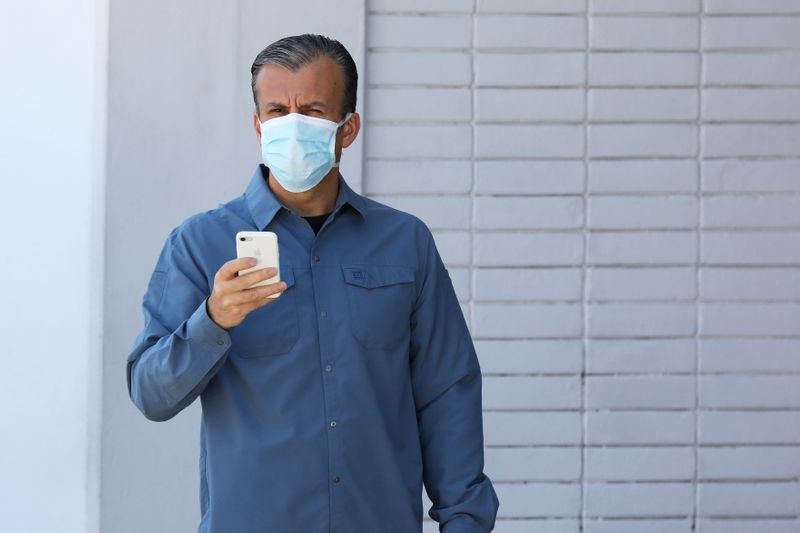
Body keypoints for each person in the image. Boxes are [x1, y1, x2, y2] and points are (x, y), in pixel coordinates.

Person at [126, 33, 499, 533]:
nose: (292, 125)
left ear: (349, 129)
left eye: (314, 111)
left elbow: (447, 391)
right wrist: (212, 321)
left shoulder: (404, 242)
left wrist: (465, 521)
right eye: (277, 111)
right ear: (258, 126)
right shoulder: (198, 243)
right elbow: (151, 394)